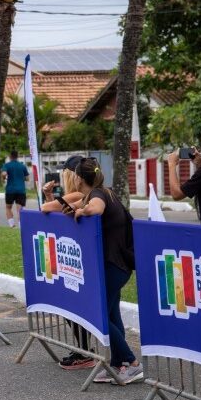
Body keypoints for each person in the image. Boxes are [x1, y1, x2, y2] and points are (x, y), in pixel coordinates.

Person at [69, 158, 142, 385]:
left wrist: (83, 211)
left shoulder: (98, 195)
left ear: (79, 178)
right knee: (111, 315)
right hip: (117, 265)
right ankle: (119, 364)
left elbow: (96, 209)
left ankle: (132, 362)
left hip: (114, 265)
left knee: (96, 314)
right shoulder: (106, 191)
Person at [41, 155, 94, 370]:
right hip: (75, 256)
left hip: (80, 258)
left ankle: (86, 351)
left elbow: (46, 209)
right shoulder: (80, 194)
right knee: (73, 307)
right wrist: (49, 196)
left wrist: (50, 199)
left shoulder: (79, 194)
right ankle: (84, 349)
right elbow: (57, 210)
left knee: (76, 306)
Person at [1, 150, 29, 228]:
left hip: (10, 190)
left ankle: (12, 225)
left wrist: (4, 178)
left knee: (8, 207)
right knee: (20, 209)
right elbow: (27, 178)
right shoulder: (22, 166)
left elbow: (4, 173)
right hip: (21, 190)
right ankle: (21, 226)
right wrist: (20, 178)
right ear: (17, 156)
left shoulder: (7, 165)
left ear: (10, 156)